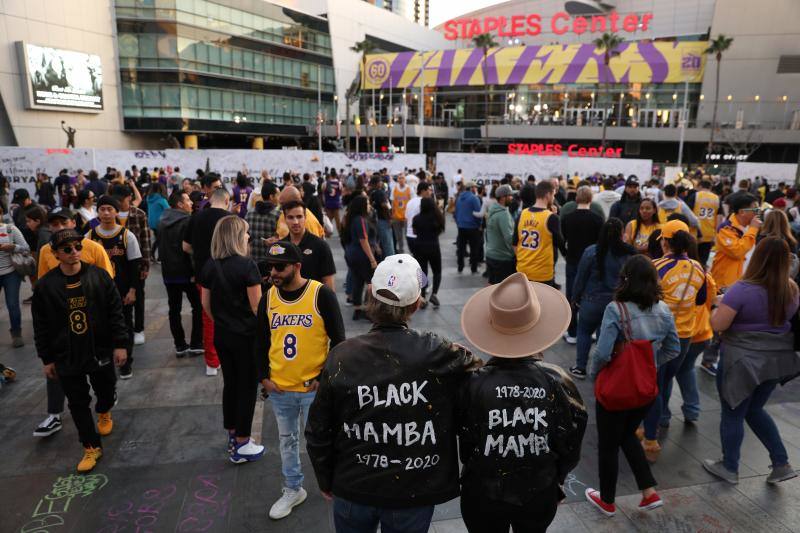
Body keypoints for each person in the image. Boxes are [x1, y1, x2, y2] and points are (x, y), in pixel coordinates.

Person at [305, 254, 479, 532]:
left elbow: (318, 430)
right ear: (416, 303)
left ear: (371, 294)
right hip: (413, 490)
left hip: (353, 486)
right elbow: (475, 376)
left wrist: (326, 479)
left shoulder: (341, 356)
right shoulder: (438, 351)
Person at [457, 271, 586, 533]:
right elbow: (572, 438)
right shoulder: (558, 381)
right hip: (538, 490)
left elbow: (465, 440)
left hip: (482, 493)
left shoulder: (472, 383)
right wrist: (556, 476)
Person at [585, 255, 680, 517]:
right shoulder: (663, 309)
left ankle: (606, 500)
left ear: (625, 279)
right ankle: (649, 492)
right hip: (644, 390)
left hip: (616, 390)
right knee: (626, 434)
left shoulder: (616, 310)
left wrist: (595, 375)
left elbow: (602, 353)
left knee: (608, 444)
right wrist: (648, 364)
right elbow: (674, 348)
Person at [256, 241, 345, 520]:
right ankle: (293, 489)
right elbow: (259, 340)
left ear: (297, 266)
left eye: (280, 267)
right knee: (287, 441)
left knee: (323, 441)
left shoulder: (320, 294)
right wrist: (264, 378)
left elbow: (339, 342)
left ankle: (334, 487)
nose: (274, 273)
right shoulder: (269, 297)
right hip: (280, 388)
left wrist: (323, 377)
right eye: (271, 267)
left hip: (312, 389)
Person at [704, 237, 800, 485]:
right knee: (755, 409)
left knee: (733, 411)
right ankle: (781, 463)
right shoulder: (791, 288)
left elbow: (719, 324)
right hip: (775, 361)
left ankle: (729, 466)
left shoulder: (742, 289)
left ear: (757, 257)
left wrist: (718, 306)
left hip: (741, 360)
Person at [32, 229, 128, 472]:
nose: (74, 252)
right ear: (55, 254)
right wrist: (47, 358)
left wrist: (120, 343)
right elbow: (41, 325)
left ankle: (104, 410)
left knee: (106, 390)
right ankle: (90, 447)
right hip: (67, 354)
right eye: (67, 249)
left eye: (77, 247)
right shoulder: (45, 286)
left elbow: (115, 311)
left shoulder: (99, 276)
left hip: (100, 349)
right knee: (77, 402)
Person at [199, 216, 265, 463]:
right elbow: (257, 307)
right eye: (246, 233)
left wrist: (223, 320)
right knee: (248, 387)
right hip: (246, 337)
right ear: (237, 236)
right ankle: (242, 443)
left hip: (222, 335)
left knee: (231, 384)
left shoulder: (209, 265)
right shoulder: (247, 266)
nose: (248, 237)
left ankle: (232, 434)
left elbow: (205, 304)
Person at [644, 220, 707, 461]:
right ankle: (661, 419)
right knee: (666, 379)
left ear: (665, 241)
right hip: (685, 335)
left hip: (658, 335)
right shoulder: (698, 267)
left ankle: (650, 439)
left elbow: (644, 297)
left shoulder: (657, 265)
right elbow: (700, 300)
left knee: (654, 387)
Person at [569, 218, 636, 379]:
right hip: (615, 303)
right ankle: (601, 368)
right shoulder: (627, 254)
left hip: (590, 301)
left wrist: (574, 298)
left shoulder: (591, 251)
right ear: (621, 234)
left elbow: (580, 278)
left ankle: (580, 366)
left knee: (584, 331)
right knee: (604, 335)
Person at [87, 195, 142, 380]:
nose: (106, 213)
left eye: (110, 209)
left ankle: (126, 363)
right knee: (102, 327)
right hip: (99, 292)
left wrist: (133, 290)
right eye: (102, 209)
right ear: (98, 212)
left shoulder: (127, 235)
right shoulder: (91, 236)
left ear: (117, 212)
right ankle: (107, 360)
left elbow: (135, 266)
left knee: (125, 325)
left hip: (123, 290)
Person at [183, 187, 230, 375]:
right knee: (229, 315)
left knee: (208, 317)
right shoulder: (230, 219)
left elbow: (186, 247)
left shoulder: (196, 217)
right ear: (226, 201)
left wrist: (203, 254)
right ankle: (227, 356)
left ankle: (211, 362)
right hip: (228, 276)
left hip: (203, 274)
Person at [159, 190, 203, 358]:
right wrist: (195, 272)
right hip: (186, 273)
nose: (191, 203)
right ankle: (196, 343)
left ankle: (180, 345)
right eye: (187, 200)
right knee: (198, 307)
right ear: (179, 204)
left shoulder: (162, 220)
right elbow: (190, 250)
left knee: (174, 309)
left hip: (168, 273)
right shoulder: (187, 221)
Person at [561, 186, 604, 343]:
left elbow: (562, 239)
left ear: (576, 198)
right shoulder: (597, 219)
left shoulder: (567, 218)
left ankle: (572, 332)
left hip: (572, 260)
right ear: (591, 199)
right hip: (591, 263)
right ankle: (589, 330)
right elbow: (601, 243)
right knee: (590, 294)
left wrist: (565, 254)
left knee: (572, 295)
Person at [111, 184, 151, 347]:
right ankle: (123, 328)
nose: (121, 203)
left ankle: (138, 329)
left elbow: (146, 240)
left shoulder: (139, 214)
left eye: (123, 199)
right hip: (116, 264)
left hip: (136, 263)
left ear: (129, 198)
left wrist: (145, 266)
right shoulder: (109, 215)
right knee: (117, 297)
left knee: (138, 295)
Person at [514, 181, 566, 286]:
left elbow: (514, 243)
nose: (553, 198)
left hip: (523, 269)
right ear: (548, 194)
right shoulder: (551, 218)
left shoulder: (522, 214)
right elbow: (560, 243)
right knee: (542, 301)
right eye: (553, 195)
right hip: (542, 273)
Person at [282, 200, 336, 291]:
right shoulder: (281, 247)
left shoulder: (320, 246)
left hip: (313, 301)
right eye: (290, 217)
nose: (295, 222)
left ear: (305, 217)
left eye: (299, 217)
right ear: (285, 219)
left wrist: (329, 304)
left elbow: (328, 281)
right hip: (287, 303)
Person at [342, 195, 379, 321]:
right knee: (371, 282)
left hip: (351, 254)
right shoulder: (360, 220)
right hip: (361, 255)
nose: (369, 206)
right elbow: (363, 240)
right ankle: (369, 310)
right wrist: (372, 259)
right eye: (367, 203)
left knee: (358, 281)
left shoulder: (350, 218)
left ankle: (357, 310)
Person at [0, 206, 30, 347]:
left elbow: (26, 248)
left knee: (12, 304)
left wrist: (12, 247)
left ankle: (16, 333)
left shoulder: (11, 229)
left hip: (11, 272)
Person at [412, 197, 444, 307]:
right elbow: (440, 230)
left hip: (419, 246)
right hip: (434, 246)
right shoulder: (438, 217)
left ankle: (423, 297)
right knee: (437, 271)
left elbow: (414, 231)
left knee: (422, 272)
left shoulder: (416, 218)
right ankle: (434, 294)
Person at [484, 184, 517, 285]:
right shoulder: (503, 215)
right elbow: (510, 239)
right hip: (502, 258)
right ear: (503, 198)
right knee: (504, 291)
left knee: (492, 286)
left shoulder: (492, 210)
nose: (512, 198)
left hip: (490, 255)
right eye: (510, 195)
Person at [687, 179, 722, 266]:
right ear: (710, 187)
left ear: (700, 186)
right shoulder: (716, 198)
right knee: (703, 261)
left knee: (691, 260)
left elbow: (688, 213)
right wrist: (716, 234)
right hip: (708, 234)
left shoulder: (695, 195)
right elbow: (719, 217)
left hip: (694, 233)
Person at [246, 181, 280, 267]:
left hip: (251, 262)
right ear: (271, 196)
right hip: (271, 263)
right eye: (278, 195)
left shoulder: (249, 213)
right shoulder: (278, 215)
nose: (279, 198)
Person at [455, 181, 483, 274]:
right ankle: (473, 268)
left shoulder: (459, 198)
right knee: (474, 248)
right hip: (472, 227)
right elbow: (478, 213)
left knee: (461, 248)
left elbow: (456, 213)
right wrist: (479, 225)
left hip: (461, 226)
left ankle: (460, 266)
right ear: (471, 188)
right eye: (475, 187)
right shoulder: (474, 198)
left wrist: (459, 223)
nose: (476, 189)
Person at [369, 176, 394, 258]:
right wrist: (389, 218)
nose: (381, 183)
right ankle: (391, 263)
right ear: (377, 183)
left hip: (376, 220)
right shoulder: (380, 192)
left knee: (379, 242)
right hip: (383, 220)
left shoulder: (372, 192)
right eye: (380, 181)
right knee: (388, 245)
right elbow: (385, 205)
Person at [404, 182, 431, 255]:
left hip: (409, 236)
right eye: (428, 190)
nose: (430, 192)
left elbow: (406, 218)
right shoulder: (424, 203)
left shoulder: (410, 202)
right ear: (423, 191)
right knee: (422, 262)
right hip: (420, 237)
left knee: (416, 259)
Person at [146, 182, 169, 261]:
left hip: (151, 222)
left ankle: (154, 255)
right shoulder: (161, 200)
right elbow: (168, 210)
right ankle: (156, 256)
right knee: (160, 240)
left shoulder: (148, 198)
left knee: (158, 239)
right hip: (160, 223)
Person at [390, 173, 413, 253]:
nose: (401, 179)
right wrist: (392, 215)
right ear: (398, 180)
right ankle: (401, 250)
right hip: (396, 216)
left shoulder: (409, 189)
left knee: (408, 235)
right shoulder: (394, 189)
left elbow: (412, 202)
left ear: (405, 180)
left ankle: (412, 250)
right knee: (398, 236)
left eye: (402, 178)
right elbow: (392, 202)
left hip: (407, 216)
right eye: (399, 178)